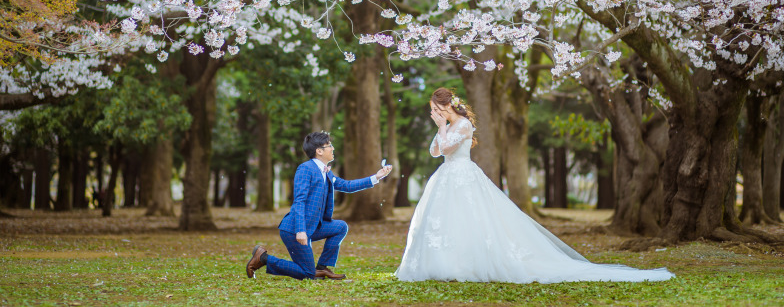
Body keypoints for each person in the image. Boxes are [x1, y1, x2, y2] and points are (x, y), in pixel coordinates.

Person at [395, 87, 674, 283]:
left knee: (471, 219)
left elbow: (444, 148)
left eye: (437, 109)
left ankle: (468, 263)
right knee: (446, 221)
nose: (435, 113)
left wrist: (442, 129)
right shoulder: (444, 127)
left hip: (464, 176)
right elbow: (435, 152)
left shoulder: (465, 125)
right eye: (433, 110)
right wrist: (439, 128)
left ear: (448, 105)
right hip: (446, 178)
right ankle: (443, 262)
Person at [246, 131, 393, 280]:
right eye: (329, 145)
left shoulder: (326, 172)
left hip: (313, 227)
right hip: (294, 230)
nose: (333, 148)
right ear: (319, 151)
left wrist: (377, 176)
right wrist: (300, 230)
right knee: (308, 274)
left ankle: (322, 267)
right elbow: (299, 201)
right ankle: (263, 258)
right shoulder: (305, 169)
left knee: (340, 227)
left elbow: (347, 186)